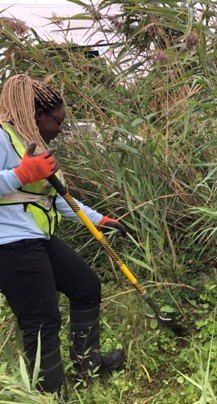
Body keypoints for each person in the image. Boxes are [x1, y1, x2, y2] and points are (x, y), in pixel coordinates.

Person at [0, 74, 127, 396]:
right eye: (58, 121)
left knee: (86, 286)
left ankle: (89, 363)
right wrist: (20, 174)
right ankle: (50, 394)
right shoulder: (2, 137)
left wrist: (101, 220)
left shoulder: (31, 145)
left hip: (37, 238)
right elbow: (19, 183)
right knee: (42, 321)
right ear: (38, 116)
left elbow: (54, 197)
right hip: (10, 245)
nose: (60, 129)